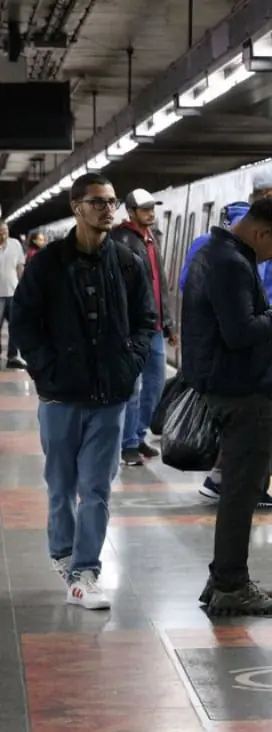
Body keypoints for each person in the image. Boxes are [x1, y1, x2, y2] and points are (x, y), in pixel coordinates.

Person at [9, 172, 157, 610]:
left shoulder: (127, 262)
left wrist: (129, 364)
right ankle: (62, 551)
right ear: (77, 207)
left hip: (109, 397)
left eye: (112, 202)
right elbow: (24, 320)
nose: (108, 209)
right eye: (98, 202)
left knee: (96, 487)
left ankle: (84, 571)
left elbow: (145, 320)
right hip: (60, 397)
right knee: (61, 485)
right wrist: (44, 368)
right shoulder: (48, 264)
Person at [181, 195, 272, 616]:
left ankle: (223, 578)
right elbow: (239, 332)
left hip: (230, 389)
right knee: (241, 492)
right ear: (260, 232)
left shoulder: (213, 254)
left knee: (238, 490)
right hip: (244, 395)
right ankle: (231, 585)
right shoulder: (232, 263)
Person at [179, 166, 272, 508]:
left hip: (252, 355)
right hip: (237, 372)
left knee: (246, 467)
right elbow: (237, 326)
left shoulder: (230, 248)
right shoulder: (227, 254)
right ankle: (228, 486)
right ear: (266, 198)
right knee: (238, 487)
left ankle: (250, 486)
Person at [110, 189, 176, 466]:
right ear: (131, 211)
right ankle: (127, 445)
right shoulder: (121, 241)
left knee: (155, 384)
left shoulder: (152, 239)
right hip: (134, 327)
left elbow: (159, 282)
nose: (150, 213)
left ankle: (138, 435)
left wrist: (169, 322)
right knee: (133, 387)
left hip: (157, 327)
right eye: (145, 209)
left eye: (152, 208)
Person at [0, 222, 27, 369]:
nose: (3, 234)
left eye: (5, 231)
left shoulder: (15, 244)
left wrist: (22, 288)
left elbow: (20, 266)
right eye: (0, 232)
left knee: (15, 326)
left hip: (13, 292)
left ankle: (13, 356)